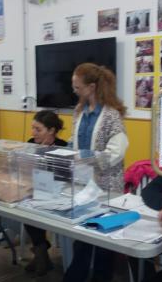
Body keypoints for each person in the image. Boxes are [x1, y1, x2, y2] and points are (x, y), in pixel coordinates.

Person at [63, 63, 129, 282]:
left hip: (106, 188)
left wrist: (85, 157)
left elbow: (116, 152)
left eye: (77, 87)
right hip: (83, 186)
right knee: (82, 237)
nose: (75, 91)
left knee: (102, 244)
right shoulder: (79, 111)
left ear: (91, 87)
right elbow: (75, 140)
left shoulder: (111, 115)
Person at [24, 110, 67, 277]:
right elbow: (25, 170)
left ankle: (41, 253)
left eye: (38, 129)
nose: (33, 133)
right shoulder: (30, 144)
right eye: (33, 128)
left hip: (58, 195)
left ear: (51, 130)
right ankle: (41, 250)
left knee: (37, 210)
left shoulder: (63, 147)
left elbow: (65, 177)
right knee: (26, 211)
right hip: (36, 192)